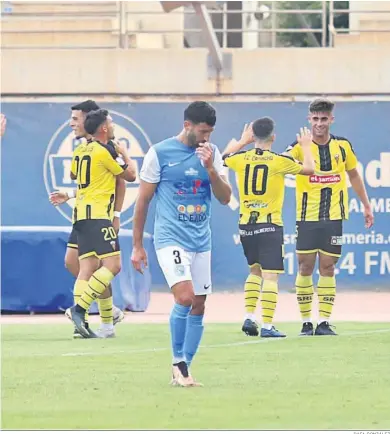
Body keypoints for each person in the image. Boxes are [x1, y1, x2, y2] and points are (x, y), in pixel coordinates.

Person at [131, 101, 231, 387]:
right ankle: (178, 363)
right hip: (170, 238)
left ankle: (183, 369)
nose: (206, 138)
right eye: (202, 131)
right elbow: (143, 200)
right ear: (187, 125)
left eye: (210, 132)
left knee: (199, 305)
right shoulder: (160, 153)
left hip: (201, 240)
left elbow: (225, 198)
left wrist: (211, 169)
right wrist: (138, 245)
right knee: (185, 298)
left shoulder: (212, 154)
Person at [285, 98, 374, 336]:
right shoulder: (298, 146)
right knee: (305, 266)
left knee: (328, 267)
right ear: (309, 119)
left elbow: (354, 175)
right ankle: (306, 322)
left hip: (333, 218)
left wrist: (366, 205)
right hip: (306, 218)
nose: (319, 123)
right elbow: (279, 165)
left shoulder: (343, 146)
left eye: (324, 119)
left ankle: (323, 322)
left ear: (331, 120)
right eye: (315, 119)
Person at [223, 118, 315, 338]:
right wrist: (305, 147)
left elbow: (222, 158)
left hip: (246, 224)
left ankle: (248, 316)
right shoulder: (279, 161)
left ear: (253, 136)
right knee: (271, 276)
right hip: (270, 224)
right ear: (273, 137)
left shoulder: (241, 159)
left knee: (254, 270)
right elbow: (310, 169)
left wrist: (242, 141)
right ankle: (267, 325)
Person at [50, 100, 126, 338]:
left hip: (95, 215)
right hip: (87, 214)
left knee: (92, 267)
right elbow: (89, 182)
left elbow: (120, 181)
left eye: (75, 119)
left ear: (88, 120)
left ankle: (101, 321)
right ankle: (89, 314)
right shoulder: (87, 149)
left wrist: (116, 214)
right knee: (81, 265)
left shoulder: (104, 147)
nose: (72, 124)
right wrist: (70, 193)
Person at [65, 109, 136, 338]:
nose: (113, 125)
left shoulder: (80, 150)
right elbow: (131, 176)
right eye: (111, 122)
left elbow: (76, 176)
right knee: (113, 266)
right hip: (98, 217)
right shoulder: (105, 151)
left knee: (86, 270)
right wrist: (125, 155)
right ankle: (80, 309)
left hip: (80, 218)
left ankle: (94, 327)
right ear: (104, 128)